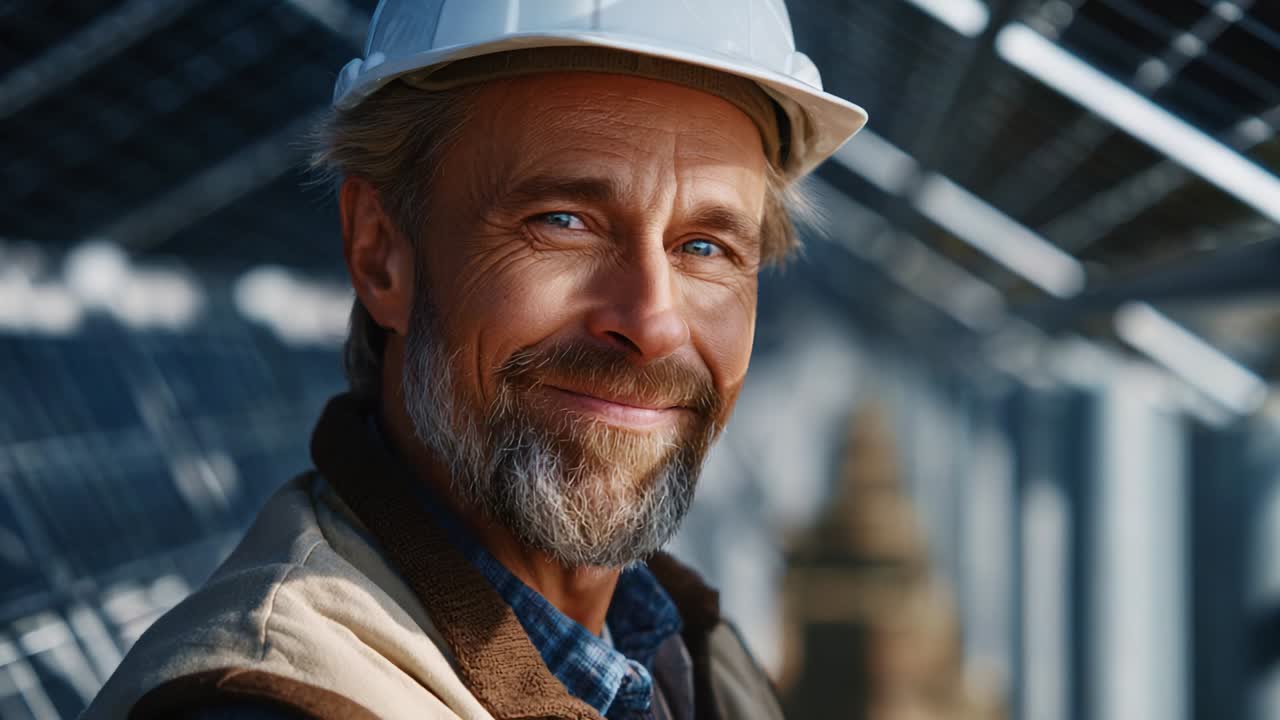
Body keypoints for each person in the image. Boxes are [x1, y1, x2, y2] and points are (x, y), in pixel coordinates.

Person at [83, 1, 866, 718]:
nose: (653, 324)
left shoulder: (674, 649)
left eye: (705, 246)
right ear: (382, 253)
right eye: (564, 221)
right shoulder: (275, 701)